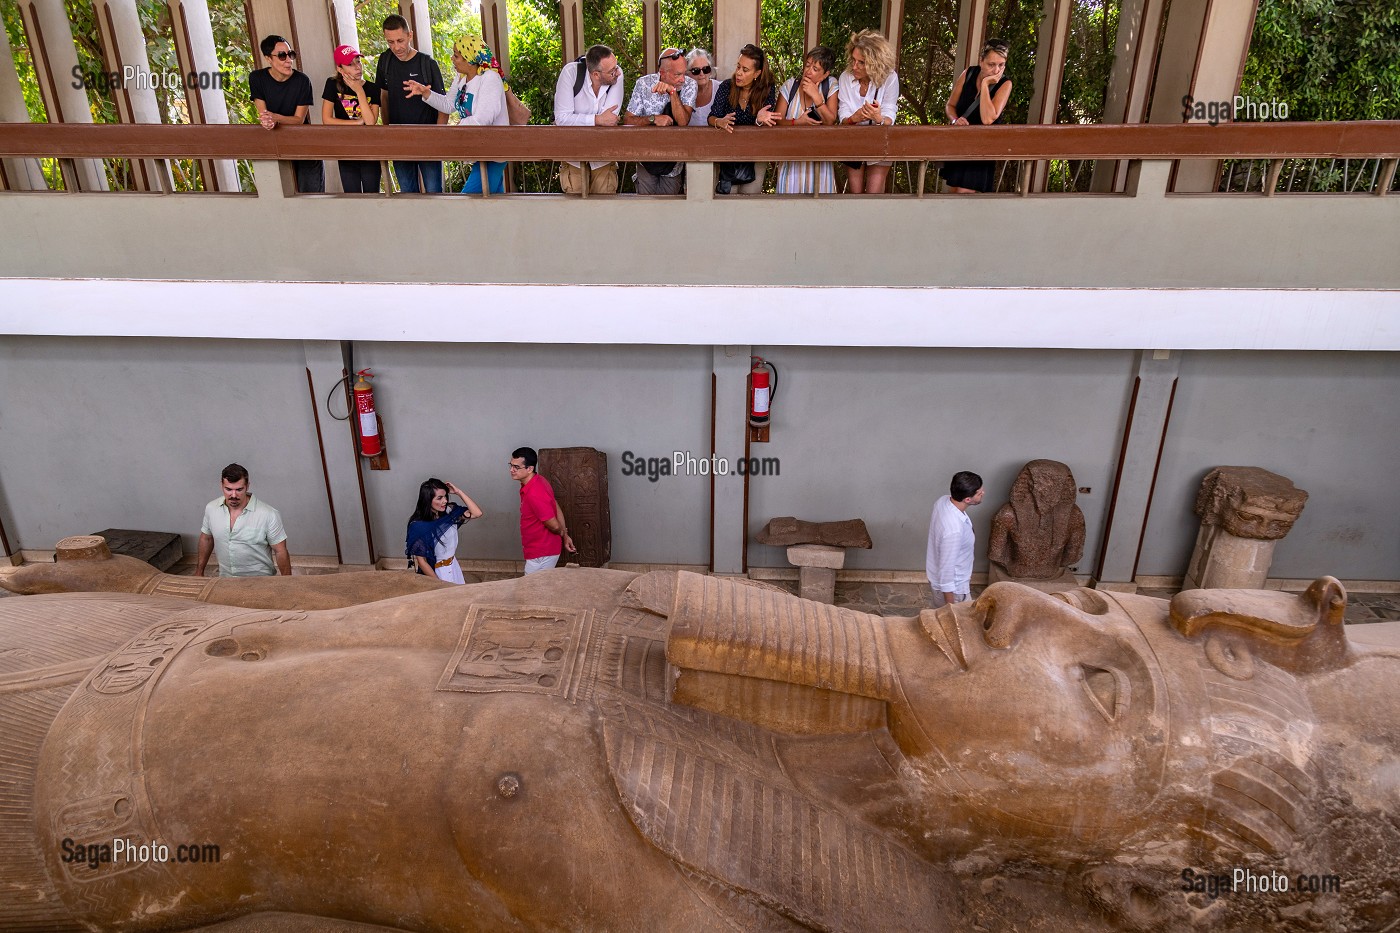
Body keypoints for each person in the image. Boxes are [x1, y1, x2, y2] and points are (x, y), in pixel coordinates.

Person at [407, 35, 508, 195]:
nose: (452, 58)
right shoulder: (461, 77)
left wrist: (455, 131)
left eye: (456, 55)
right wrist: (425, 93)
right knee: (493, 207)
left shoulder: (489, 78)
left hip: (494, 154)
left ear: (469, 58)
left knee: (466, 203)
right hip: (479, 153)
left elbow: (483, 118)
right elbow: (449, 105)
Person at [374, 14, 447, 193]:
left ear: (410, 35)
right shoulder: (385, 61)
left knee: (434, 192)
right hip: (398, 140)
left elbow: (444, 106)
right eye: (390, 42)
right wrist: (387, 131)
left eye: (400, 40)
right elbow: (383, 97)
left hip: (428, 139)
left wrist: (438, 139)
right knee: (407, 193)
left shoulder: (427, 63)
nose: (396, 47)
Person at [248, 35, 322, 193]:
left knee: (312, 196)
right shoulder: (257, 78)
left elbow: (298, 120)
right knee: (277, 195)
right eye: (282, 56)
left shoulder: (302, 81)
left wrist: (275, 118)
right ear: (268, 58)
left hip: (304, 145)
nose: (288, 60)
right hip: (275, 143)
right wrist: (269, 120)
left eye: (291, 54)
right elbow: (265, 116)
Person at [940, 38, 1012, 193]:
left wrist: (986, 84)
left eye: (1001, 65)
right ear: (981, 61)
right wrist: (955, 120)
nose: (996, 70)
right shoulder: (968, 73)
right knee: (952, 194)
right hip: (960, 142)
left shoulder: (1005, 84)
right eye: (991, 64)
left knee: (963, 194)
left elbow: (988, 119)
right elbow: (950, 105)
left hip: (982, 147)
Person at [707, 43, 779, 195]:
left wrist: (758, 120)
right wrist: (719, 122)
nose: (738, 73)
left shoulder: (767, 89)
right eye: (738, 66)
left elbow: (768, 121)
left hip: (755, 154)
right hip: (728, 155)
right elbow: (711, 117)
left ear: (757, 73)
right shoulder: (726, 86)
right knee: (727, 204)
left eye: (745, 70)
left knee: (749, 202)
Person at [196, 462, 290, 577]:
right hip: (226, 579)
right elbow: (206, 539)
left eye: (239, 489)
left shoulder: (269, 514)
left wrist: (288, 583)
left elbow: (280, 551)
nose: (234, 495)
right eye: (228, 489)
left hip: (261, 581)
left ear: (247, 486)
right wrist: (199, 572)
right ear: (221, 485)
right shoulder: (211, 508)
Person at [624, 47, 697, 195]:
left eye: (684, 73)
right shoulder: (643, 84)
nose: (682, 79)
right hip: (645, 159)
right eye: (678, 74)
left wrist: (673, 93)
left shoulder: (689, 85)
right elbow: (628, 120)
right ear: (662, 73)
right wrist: (653, 119)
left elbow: (683, 122)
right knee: (645, 209)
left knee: (669, 211)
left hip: (674, 163)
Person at [553, 44, 624, 195]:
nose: (617, 73)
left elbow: (610, 120)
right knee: (576, 212)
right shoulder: (571, 73)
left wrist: (579, 120)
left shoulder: (617, 76)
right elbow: (561, 118)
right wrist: (597, 119)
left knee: (604, 211)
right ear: (596, 74)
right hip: (573, 156)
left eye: (616, 66)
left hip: (604, 156)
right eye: (612, 71)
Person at [837, 29, 899, 194]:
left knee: (874, 194)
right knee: (855, 194)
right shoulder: (845, 77)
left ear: (875, 63)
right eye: (853, 60)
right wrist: (853, 118)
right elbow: (843, 115)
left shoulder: (890, 78)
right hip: (854, 141)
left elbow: (890, 115)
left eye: (861, 62)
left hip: (880, 140)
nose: (854, 66)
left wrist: (878, 118)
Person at [774, 46, 839, 194]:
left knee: (820, 210)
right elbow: (777, 121)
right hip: (791, 161)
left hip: (819, 162)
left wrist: (817, 97)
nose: (808, 71)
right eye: (808, 65)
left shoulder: (830, 85)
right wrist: (796, 123)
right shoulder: (790, 86)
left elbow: (830, 121)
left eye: (815, 69)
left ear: (825, 74)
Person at [321, 45, 381, 193]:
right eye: (350, 64)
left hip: (370, 151)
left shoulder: (372, 88)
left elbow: (371, 122)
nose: (357, 67)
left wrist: (359, 91)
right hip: (346, 150)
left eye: (358, 62)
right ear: (340, 69)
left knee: (372, 195)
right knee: (352, 197)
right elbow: (327, 119)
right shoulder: (332, 85)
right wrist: (355, 123)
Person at [405, 477, 483, 583]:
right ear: (428, 500)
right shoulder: (418, 526)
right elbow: (422, 562)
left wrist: (458, 492)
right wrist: (438, 583)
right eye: (439, 498)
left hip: (453, 566)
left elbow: (477, 513)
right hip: (437, 571)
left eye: (445, 496)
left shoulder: (450, 512)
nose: (445, 501)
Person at [510, 446, 575, 573]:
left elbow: (554, 525)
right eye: (511, 465)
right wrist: (565, 535)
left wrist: (562, 533)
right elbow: (555, 505)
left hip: (541, 553)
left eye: (516, 467)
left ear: (530, 469)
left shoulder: (535, 492)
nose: (511, 470)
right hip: (540, 551)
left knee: (531, 590)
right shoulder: (538, 481)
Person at [925, 470, 984, 607]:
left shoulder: (943, 501)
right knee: (957, 625)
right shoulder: (953, 530)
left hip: (942, 582)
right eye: (979, 493)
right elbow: (946, 572)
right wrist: (950, 607)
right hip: (955, 591)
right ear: (967, 499)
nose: (983, 493)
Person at [684, 48, 717, 127]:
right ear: (687, 73)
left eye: (706, 69)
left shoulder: (721, 89)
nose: (702, 74)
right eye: (696, 70)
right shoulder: (682, 92)